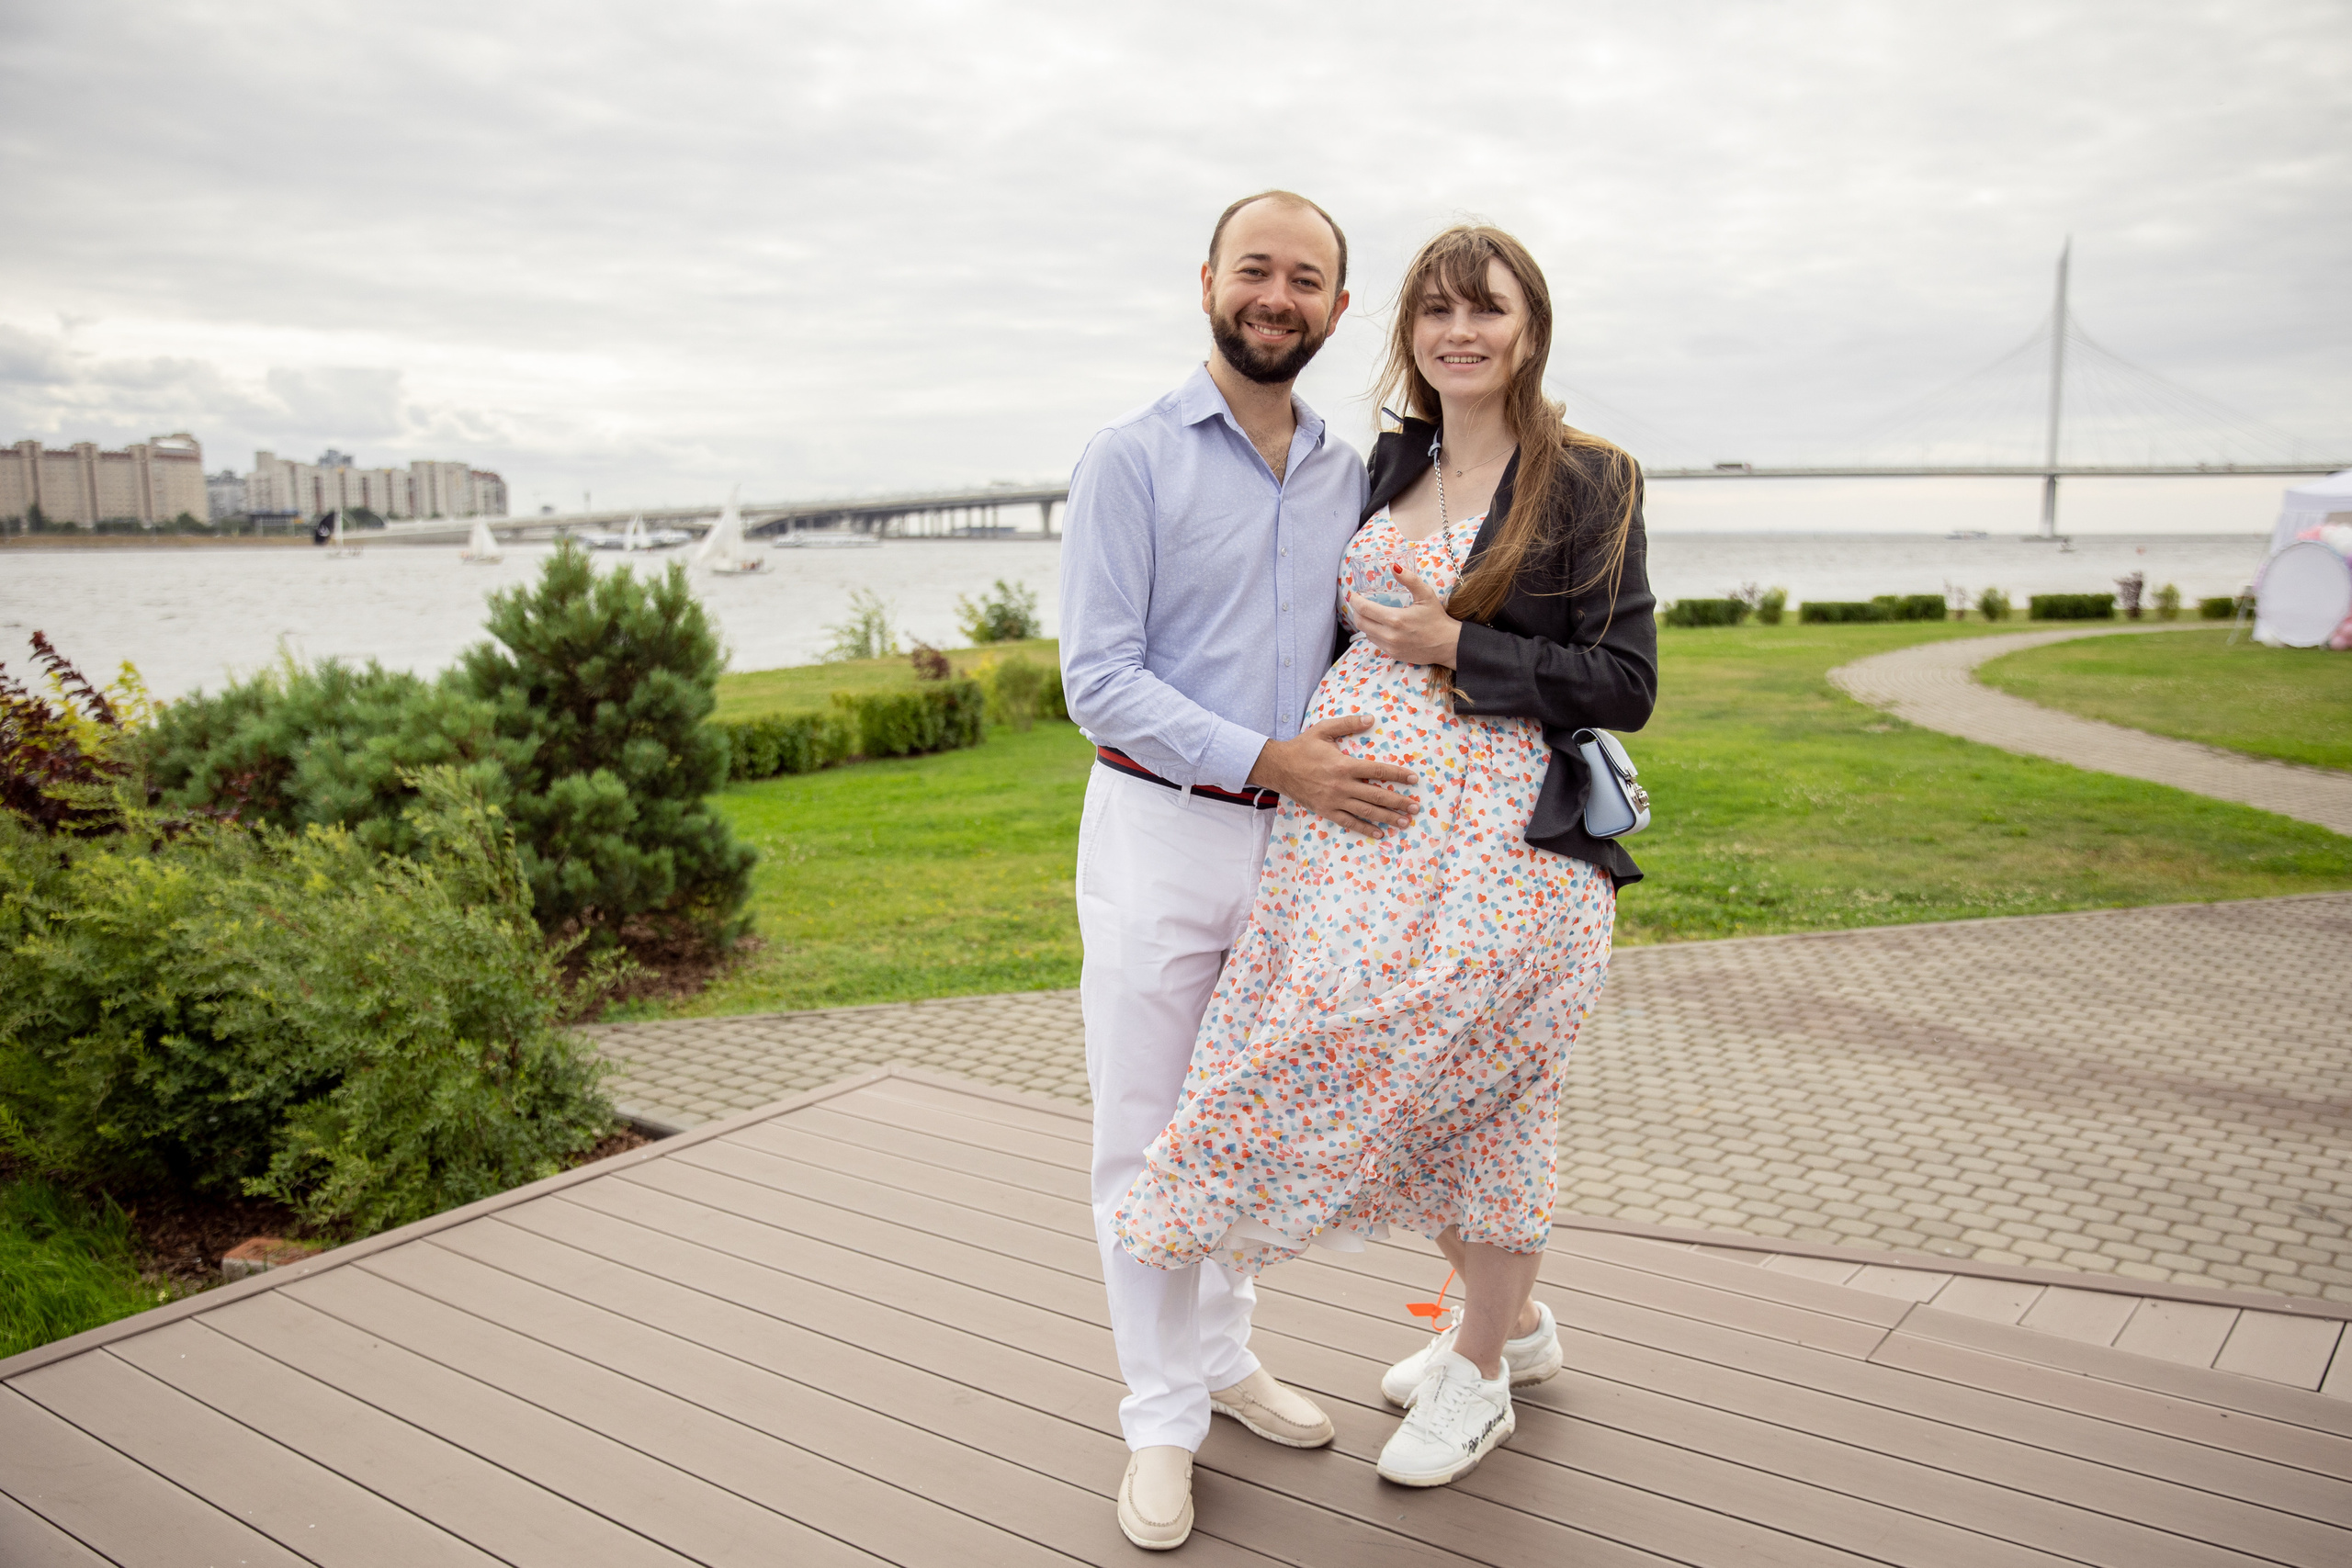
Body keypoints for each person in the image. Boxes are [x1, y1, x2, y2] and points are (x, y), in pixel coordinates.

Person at [1113, 223, 1657, 1492]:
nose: (1462, 332)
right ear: (1407, 330)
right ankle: (1513, 1326)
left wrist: (1457, 646)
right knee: (1385, 1079)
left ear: (1530, 330)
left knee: (1471, 1087)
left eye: (1489, 309)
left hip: (1507, 849)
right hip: (1356, 842)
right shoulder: (1387, 463)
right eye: (1437, 311)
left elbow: (1625, 682)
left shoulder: (1588, 478)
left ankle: (1478, 1378)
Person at [1059, 190, 1422, 1551]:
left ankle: (1219, 1357)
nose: (1278, 296)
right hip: (1159, 830)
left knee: (1243, 1125)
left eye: (1306, 278)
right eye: (1255, 270)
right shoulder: (1130, 458)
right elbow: (1098, 681)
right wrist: (1272, 760)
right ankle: (1158, 1418)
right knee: (1145, 1136)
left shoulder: (1353, 474)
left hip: (1301, 849)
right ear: (1208, 281)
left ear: (1339, 308)